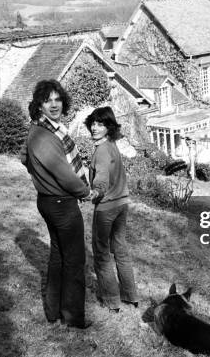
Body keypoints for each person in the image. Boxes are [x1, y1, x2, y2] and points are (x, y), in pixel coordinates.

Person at [21, 79, 97, 329]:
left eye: (57, 99)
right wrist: (85, 192)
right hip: (61, 204)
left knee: (58, 256)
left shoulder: (42, 129)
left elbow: (23, 157)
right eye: (47, 100)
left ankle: (53, 311)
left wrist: (39, 172)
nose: (54, 104)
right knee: (74, 260)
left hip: (49, 201)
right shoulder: (45, 136)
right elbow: (65, 175)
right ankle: (73, 317)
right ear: (39, 105)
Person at [84, 106, 138, 313]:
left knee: (102, 254)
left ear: (109, 127)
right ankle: (131, 295)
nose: (95, 128)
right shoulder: (112, 144)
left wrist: (91, 193)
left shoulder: (102, 151)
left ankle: (111, 300)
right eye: (94, 124)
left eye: (101, 124)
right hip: (122, 204)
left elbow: (101, 181)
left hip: (106, 208)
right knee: (120, 249)